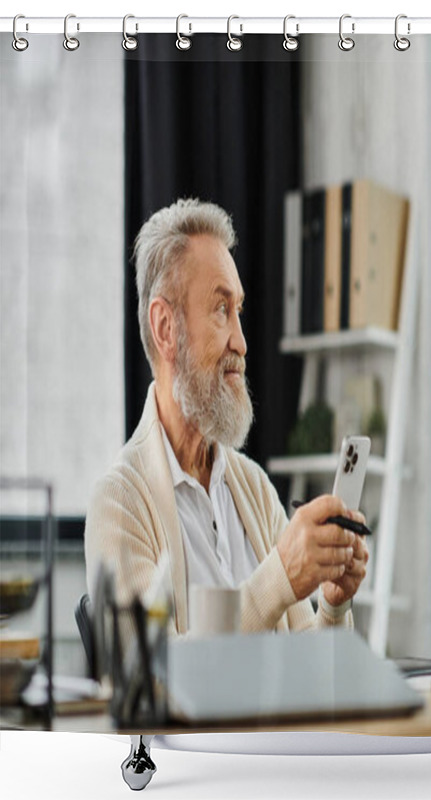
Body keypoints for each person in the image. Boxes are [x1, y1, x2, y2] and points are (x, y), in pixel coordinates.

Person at [84, 198, 368, 634]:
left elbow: (313, 675)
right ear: (165, 328)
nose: (241, 341)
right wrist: (280, 578)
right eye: (221, 309)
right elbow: (154, 679)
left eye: (239, 310)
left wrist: (332, 606)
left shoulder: (252, 487)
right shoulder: (118, 505)